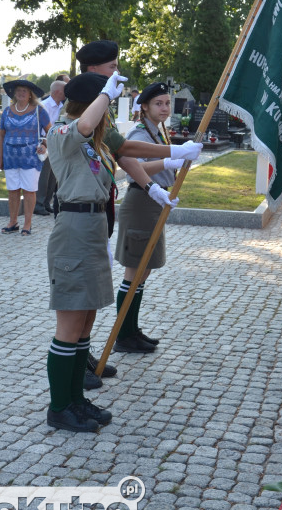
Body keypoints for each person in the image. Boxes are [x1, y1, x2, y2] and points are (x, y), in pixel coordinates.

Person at [75, 41, 202, 382]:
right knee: (80, 298)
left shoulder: (99, 112)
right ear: (94, 70)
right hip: (77, 214)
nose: (117, 73)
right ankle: (77, 365)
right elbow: (125, 147)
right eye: (111, 67)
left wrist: (153, 185)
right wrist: (172, 153)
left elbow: (119, 151)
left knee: (91, 297)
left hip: (98, 212)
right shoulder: (78, 113)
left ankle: (84, 357)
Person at [46, 71, 129, 432]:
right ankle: (59, 406)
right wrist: (106, 95)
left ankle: (77, 399)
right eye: (104, 105)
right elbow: (85, 124)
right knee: (69, 324)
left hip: (94, 229)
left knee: (83, 324)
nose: (107, 117)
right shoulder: (61, 132)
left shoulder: (93, 144)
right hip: (74, 231)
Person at [113, 82, 181, 353]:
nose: (165, 108)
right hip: (141, 201)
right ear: (144, 107)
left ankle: (131, 329)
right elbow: (135, 166)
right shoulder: (140, 133)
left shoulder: (158, 130)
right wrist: (169, 161)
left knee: (144, 271)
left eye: (167, 103)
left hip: (153, 202)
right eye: (158, 104)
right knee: (134, 272)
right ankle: (123, 336)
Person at [0, 79, 51, 235]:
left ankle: (27, 224)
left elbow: (51, 132)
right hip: (10, 158)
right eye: (18, 90)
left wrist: (45, 145)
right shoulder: (7, 111)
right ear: (14, 93)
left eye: (24, 91)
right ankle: (13, 222)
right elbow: (1, 136)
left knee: (29, 191)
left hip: (31, 159)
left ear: (30, 95)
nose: (21, 93)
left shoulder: (39, 111)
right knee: (12, 191)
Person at [34, 80, 67, 215]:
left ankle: (47, 203)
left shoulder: (61, 106)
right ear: (57, 92)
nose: (66, 94)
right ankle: (39, 204)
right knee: (44, 176)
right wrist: (45, 143)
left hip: (56, 142)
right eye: (65, 91)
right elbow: (41, 126)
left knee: (53, 176)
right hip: (45, 143)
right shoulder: (44, 106)